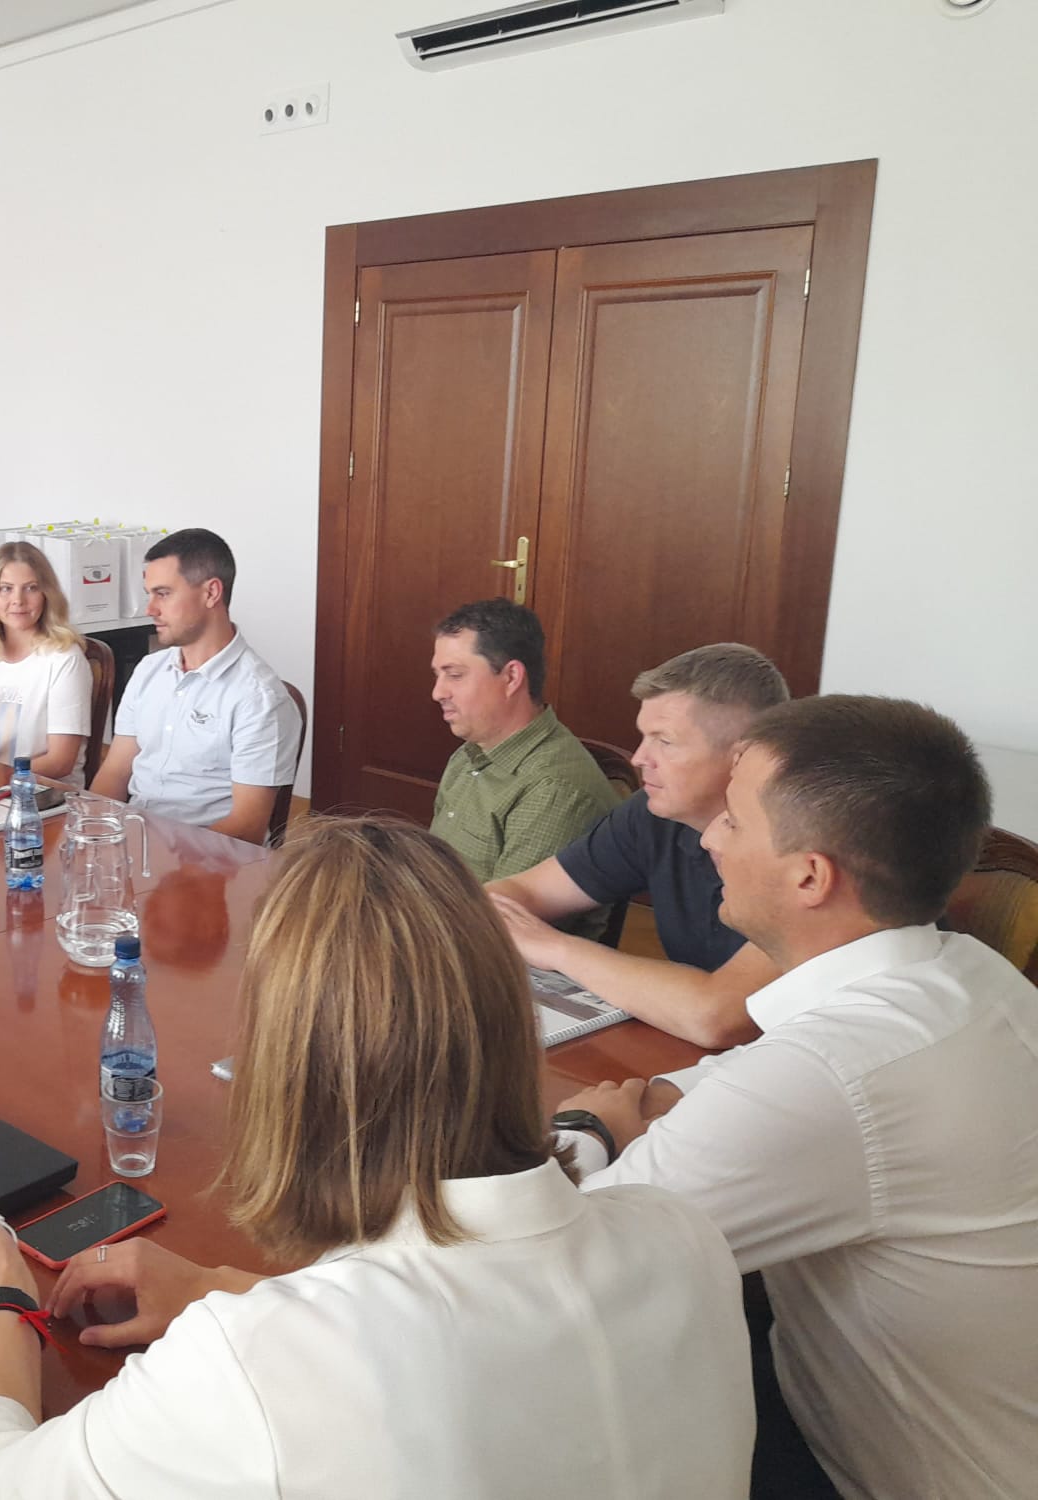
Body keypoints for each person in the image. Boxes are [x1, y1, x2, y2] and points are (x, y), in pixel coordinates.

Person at [0, 817, 754, 1498]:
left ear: (281, 1065)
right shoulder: (684, 1235)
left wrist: (9, 1291)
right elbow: (474, 1314)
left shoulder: (260, 1362)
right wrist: (216, 1284)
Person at [554, 696, 1038, 1500]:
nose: (708, 838)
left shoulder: (833, 1072)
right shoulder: (966, 972)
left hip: (875, 1469)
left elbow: (556, 1259)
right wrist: (658, 1105)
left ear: (810, 876)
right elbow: (730, 1085)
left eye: (733, 821)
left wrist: (589, 1126)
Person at [489, 643, 790, 1048]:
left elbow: (722, 1015)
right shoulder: (652, 815)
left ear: (742, 756)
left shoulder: (798, 844)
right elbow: (522, 891)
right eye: (644, 737)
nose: (639, 758)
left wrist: (554, 948)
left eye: (664, 741)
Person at [87, 529, 298, 845]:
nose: (150, 609)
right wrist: (91, 831)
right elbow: (115, 772)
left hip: (210, 859)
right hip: (136, 843)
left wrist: (157, 855)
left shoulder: (260, 698)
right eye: (149, 594)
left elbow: (247, 827)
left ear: (211, 593)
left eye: (163, 593)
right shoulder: (149, 670)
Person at [429, 598, 618, 888]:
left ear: (511, 677)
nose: (438, 692)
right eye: (438, 675)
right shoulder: (468, 755)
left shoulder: (554, 791)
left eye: (455, 675)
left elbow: (503, 914)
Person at [0, 542, 92, 782]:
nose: (18, 600)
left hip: (38, 790)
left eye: (31, 588)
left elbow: (60, 761)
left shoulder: (64, 659)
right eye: (5, 588)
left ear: (47, 594)